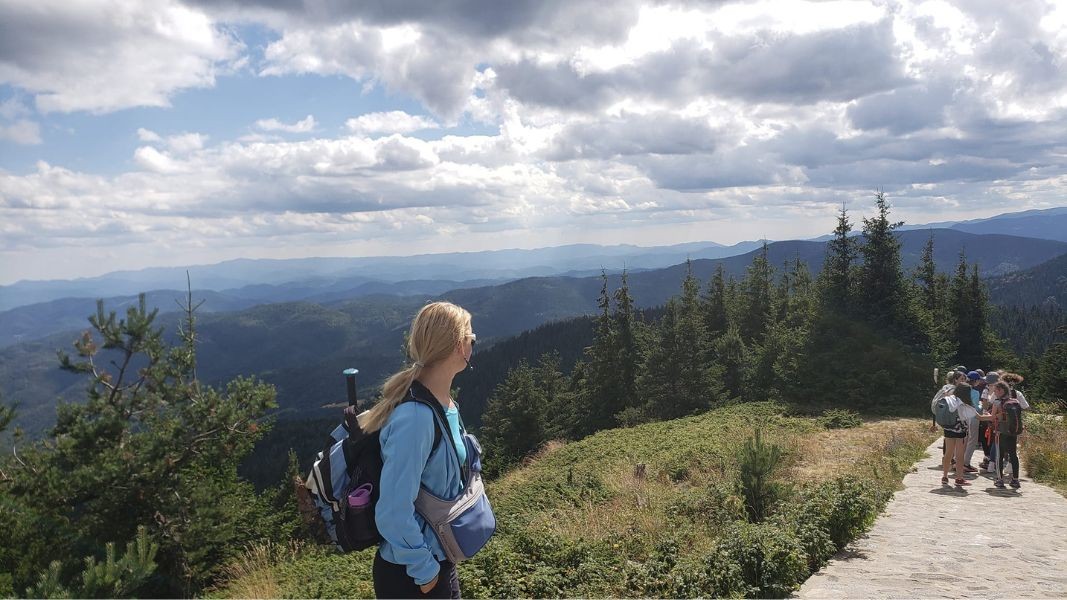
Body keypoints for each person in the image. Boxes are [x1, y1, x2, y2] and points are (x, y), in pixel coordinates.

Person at [359, 301, 477, 599]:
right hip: (412, 575)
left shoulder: (444, 404)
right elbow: (392, 511)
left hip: (436, 560)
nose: (473, 344)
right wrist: (425, 572)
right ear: (458, 346)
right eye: (471, 338)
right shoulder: (416, 418)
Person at [931, 383, 975, 486]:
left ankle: (945, 476)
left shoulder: (949, 399)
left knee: (948, 454)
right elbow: (972, 415)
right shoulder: (963, 403)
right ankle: (959, 478)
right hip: (960, 430)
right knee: (959, 455)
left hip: (948, 428)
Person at [990, 381, 1023, 489]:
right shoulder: (1015, 402)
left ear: (1001, 390)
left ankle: (999, 480)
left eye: (995, 390)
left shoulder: (997, 403)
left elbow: (993, 417)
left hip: (1001, 431)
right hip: (1013, 431)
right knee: (1013, 455)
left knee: (999, 454)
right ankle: (1015, 480)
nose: (994, 393)